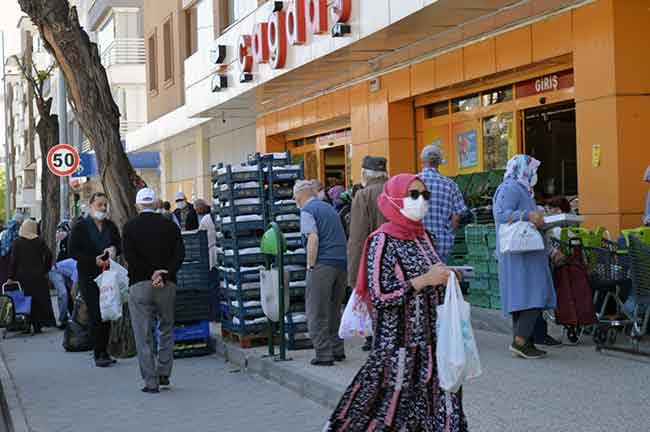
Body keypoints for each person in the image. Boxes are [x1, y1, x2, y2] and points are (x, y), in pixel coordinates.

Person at [324, 174, 467, 431]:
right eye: (414, 195)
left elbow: (432, 273)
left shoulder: (425, 237)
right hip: (397, 348)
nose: (421, 201)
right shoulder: (382, 240)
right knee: (387, 412)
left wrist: (447, 276)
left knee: (440, 410)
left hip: (433, 346)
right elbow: (380, 295)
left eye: (425, 196)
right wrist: (422, 280)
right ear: (395, 199)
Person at [493, 155, 557, 359]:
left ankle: (524, 341)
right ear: (522, 169)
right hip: (520, 254)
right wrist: (528, 216)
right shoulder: (510, 187)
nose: (535, 174)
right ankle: (520, 341)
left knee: (522, 297)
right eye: (532, 169)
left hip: (526, 252)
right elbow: (501, 213)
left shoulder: (522, 189)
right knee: (535, 294)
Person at [123, 188, 185, 393]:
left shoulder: (130, 227)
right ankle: (164, 372)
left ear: (138, 205)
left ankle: (150, 381)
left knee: (143, 334)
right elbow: (180, 254)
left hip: (140, 284)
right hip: (167, 284)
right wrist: (163, 274)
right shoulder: (170, 225)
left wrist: (150, 273)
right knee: (166, 328)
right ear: (156, 203)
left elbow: (130, 257)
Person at [294, 180, 347, 366]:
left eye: (295, 198)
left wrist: (310, 265)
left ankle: (324, 354)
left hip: (323, 264)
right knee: (334, 309)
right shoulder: (329, 207)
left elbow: (313, 239)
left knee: (316, 310)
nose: (295, 201)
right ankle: (337, 349)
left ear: (300, 197)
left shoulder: (308, 211)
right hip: (341, 263)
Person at [69, 192, 122, 367]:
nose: (103, 208)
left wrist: (114, 250)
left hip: (107, 275)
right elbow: (73, 252)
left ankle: (105, 350)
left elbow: (118, 245)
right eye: (99, 204)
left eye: (105, 205)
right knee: (96, 313)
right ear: (91, 206)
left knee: (107, 312)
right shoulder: (81, 227)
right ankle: (98, 352)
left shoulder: (110, 226)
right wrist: (93, 260)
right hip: (89, 275)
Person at [347, 155, 388, 352]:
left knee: (375, 302)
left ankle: (375, 339)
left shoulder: (363, 196)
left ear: (364, 173)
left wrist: (354, 275)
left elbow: (357, 238)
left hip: (374, 260)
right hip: (399, 260)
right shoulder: (396, 190)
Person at [418, 145, 467, 263]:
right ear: (439, 162)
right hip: (442, 244)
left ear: (422, 160)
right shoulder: (450, 184)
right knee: (441, 279)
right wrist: (449, 234)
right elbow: (457, 215)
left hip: (418, 244)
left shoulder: (413, 182)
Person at [7, 219, 56, 333]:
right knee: (38, 300)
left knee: (26, 301)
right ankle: (38, 325)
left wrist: (11, 276)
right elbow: (48, 254)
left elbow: (14, 261)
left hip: (23, 277)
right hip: (38, 276)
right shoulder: (40, 241)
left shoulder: (17, 242)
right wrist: (45, 269)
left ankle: (26, 325)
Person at [49, 258, 77, 329]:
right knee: (63, 294)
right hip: (55, 271)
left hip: (66, 273)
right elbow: (73, 292)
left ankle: (73, 317)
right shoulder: (78, 268)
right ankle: (62, 320)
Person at [0, 213, 24, 286]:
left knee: (4, 281)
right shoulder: (19, 232)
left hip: (3, 259)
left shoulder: (3, 232)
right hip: (14, 260)